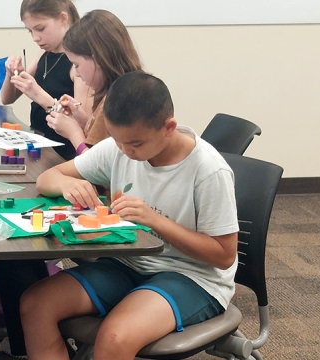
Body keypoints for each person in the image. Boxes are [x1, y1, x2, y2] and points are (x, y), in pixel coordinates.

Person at [21, 71, 239, 360]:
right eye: (117, 139)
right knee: (35, 304)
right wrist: (67, 183)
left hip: (191, 276)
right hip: (128, 262)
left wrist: (155, 221)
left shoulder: (208, 170)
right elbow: (47, 178)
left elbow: (224, 255)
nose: (125, 151)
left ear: (169, 127)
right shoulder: (119, 148)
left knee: (114, 338)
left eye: (135, 144)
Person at [0, 0, 92, 160]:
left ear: (63, 19)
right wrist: (12, 74)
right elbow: (7, 99)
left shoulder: (78, 64)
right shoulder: (44, 54)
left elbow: (84, 128)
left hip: (65, 155)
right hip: (40, 146)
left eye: (40, 29)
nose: (35, 38)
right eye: (30, 31)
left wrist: (39, 96)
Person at [50, 9, 144, 159]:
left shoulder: (120, 99)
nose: (77, 73)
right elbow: (105, 143)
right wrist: (84, 122)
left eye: (77, 64)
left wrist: (74, 134)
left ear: (98, 59)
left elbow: (98, 168)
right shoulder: (119, 90)